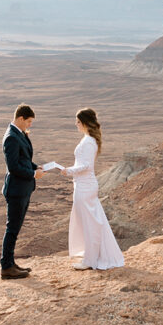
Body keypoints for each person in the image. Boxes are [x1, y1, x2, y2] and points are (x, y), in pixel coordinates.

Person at [60, 108, 124, 270]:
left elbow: (86, 166)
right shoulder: (88, 139)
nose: (76, 124)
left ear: (86, 123)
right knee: (91, 221)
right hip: (83, 185)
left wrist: (68, 171)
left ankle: (90, 260)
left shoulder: (89, 142)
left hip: (85, 187)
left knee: (90, 223)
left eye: (78, 122)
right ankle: (93, 254)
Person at [0, 104, 44, 279]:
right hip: (16, 190)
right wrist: (33, 174)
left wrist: (35, 166)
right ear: (20, 119)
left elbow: (23, 159)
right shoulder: (11, 137)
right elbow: (13, 167)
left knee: (15, 229)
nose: (30, 125)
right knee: (12, 229)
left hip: (23, 189)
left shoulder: (18, 133)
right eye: (29, 121)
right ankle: (6, 267)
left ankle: (10, 264)